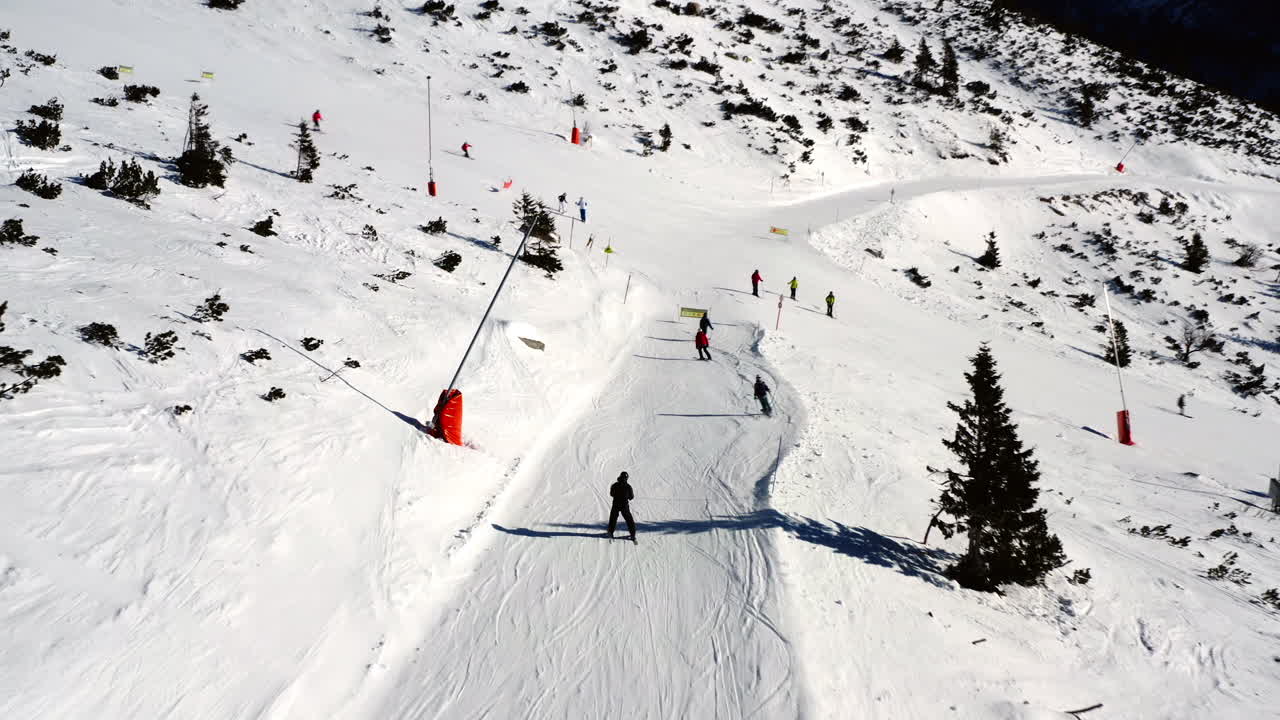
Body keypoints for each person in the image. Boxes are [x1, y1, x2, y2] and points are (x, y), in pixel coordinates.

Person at [607, 471, 636, 541]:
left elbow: (611, 494)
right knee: (629, 520)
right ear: (627, 478)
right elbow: (631, 497)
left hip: (616, 504)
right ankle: (632, 534)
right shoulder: (628, 487)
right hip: (624, 506)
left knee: (613, 518)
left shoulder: (615, 485)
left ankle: (610, 532)